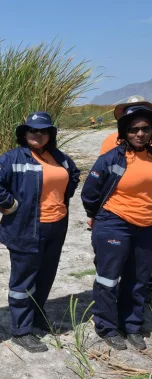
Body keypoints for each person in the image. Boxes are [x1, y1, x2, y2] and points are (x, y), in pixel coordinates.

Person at [0, 112, 80, 353]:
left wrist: (60, 199)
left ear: (50, 134)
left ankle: (38, 316)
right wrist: (9, 203)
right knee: (23, 281)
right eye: (32, 130)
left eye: (43, 130)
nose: (38, 134)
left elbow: (74, 175)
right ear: (24, 133)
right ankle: (21, 330)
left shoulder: (59, 157)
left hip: (56, 227)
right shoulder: (13, 158)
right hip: (25, 228)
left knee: (46, 276)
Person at [82, 98, 152, 351]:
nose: (140, 133)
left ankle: (132, 325)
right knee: (108, 278)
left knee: (139, 279)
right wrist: (99, 216)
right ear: (124, 132)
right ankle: (107, 327)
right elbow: (89, 193)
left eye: (145, 128)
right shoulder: (112, 158)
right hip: (114, 223)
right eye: (134, 129)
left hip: (146, 226)